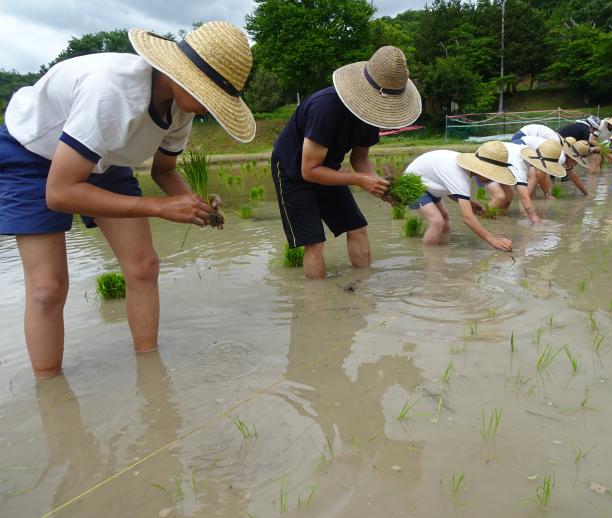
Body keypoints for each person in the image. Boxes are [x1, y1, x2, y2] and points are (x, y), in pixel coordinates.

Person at [0, 22, 256, 378]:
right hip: (32, 155)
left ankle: (150, 372)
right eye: (208, 96)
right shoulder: (113, 93)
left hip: (105, 156)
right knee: (47, 287)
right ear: (182, 76)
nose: (208, 109)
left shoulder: (181, 108)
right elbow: (59, 193)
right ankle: (51, 393)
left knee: (144, 266)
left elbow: (164, 171)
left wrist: (192, 203)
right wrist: (159, 207)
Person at [271, 46, 422, 279]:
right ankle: (319, 305)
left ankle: (361, 289)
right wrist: (360, 180)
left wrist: (380, 186)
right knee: (315, 242)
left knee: (358, 228)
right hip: (293, 170)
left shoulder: (372, 116)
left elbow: (359, 158)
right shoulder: (325, 108)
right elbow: (309, 171)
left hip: (328, 169)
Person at [403, 141, 515, 250]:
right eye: (492, 175)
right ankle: (431, 257)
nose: (493, 179)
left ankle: (441, 248)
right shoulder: (459, 176)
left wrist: (470, 203)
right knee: (437, 222)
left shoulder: (462, 170)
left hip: (429, 183)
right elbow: (467, 218)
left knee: (444, 216)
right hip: (412, 183)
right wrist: (493, 240)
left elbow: (448, 187)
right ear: (483, 169)